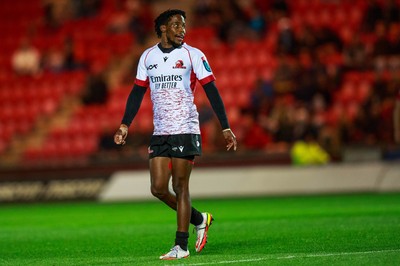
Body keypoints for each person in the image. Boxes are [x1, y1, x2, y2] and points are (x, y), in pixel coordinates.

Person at [113, 9, 237, 260]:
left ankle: (181, 246)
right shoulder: (148, 57)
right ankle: (200, 219)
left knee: (180, 187)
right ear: (162, 29)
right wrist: (125, 124)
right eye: (176, 25)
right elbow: (137, 93)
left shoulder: (193, 54)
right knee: (158, 188)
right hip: (161, 131)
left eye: (183, 25)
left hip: (185, 128)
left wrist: (225, 126)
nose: (182, 29)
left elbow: (212, 91)